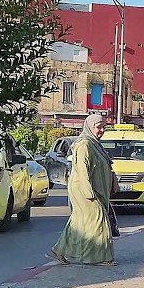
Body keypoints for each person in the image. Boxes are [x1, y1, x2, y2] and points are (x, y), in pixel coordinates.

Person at [50, 114, 115, 266]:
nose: (101, 130)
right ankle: (100, 257)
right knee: (99, 220)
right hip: (84, 189)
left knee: (78, 222)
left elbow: (105, 163)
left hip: (92, 188)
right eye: (99, 127)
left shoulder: (94, 144)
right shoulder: (84, 144)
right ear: (90, 127)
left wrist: (113, 179)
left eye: (103, 127)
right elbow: (82, 170)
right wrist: (88, 193)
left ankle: (59, 250)